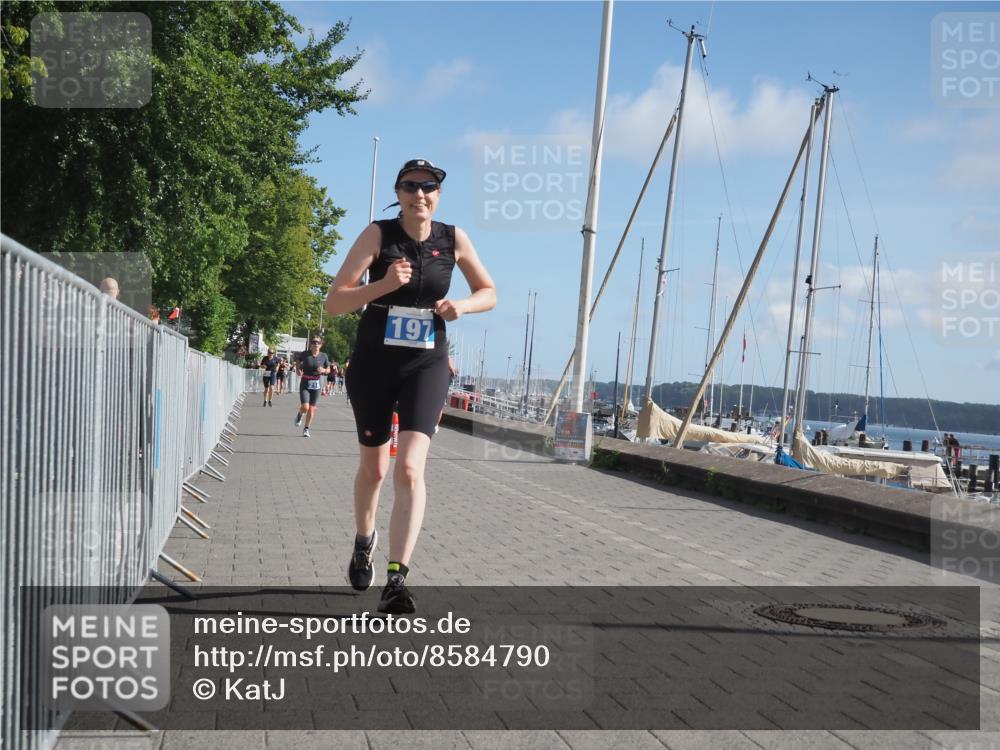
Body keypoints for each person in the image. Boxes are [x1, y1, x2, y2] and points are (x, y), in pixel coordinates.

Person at [325, 158, 496, 614]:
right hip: (375, 363)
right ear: (398, 193)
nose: (420, 194)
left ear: (438, 193)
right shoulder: (377, 235)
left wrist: (463, 305)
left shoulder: (453, 238)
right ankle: (365, 541)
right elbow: (335, 303)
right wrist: (380, 285)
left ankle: (397, 579)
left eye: (429, 186)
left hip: (427, 363)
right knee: (376, 470)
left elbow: (489, 292)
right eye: (410, 186)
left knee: (410, 470)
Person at [294, 337, 330, 437]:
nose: (315, 344)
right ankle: (300, 415)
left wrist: (323, 370)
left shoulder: (323, 356)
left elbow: (328, 369)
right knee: (305, 407)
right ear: (311, 344)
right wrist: (297, 369)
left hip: (317, 383)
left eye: (317, 342)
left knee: (312, 408)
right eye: (313, 342)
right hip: (305, 381)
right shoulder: (305, 354)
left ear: (321, 345)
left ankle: (306, 429)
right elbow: (298, 361)